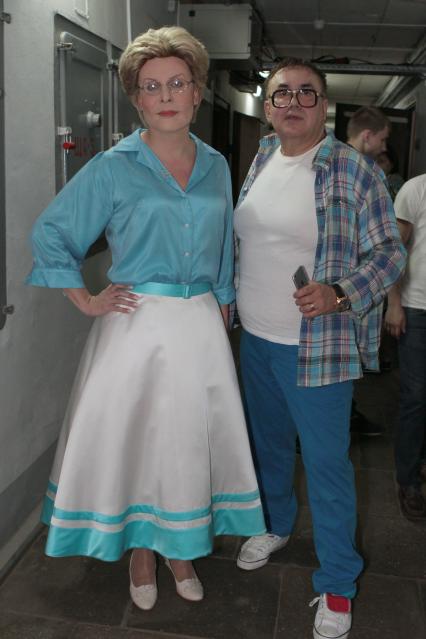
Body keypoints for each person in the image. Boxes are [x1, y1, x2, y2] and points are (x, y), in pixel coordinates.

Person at [26, 26, 265, 611]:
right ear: (136, 99)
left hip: (199, 324)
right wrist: (86, 299)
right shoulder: (114, 166)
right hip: (135, 325)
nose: (165, 96)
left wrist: (223, 302)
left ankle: (179, 548)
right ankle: (140, 551)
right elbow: (52, 233)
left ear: (197, 92)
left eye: (177, 83)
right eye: (151, 86)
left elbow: (223, 247)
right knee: (138, 441)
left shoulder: (216, 165)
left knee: (186, 443)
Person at [233, 57, 406, 639]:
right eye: (282, 93)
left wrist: (340, 292)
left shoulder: (354, 169)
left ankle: (337, 582)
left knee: (328, 467)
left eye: (306, 93)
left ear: (323, 106)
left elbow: (390, 254)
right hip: (256, 340)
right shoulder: (262, 156)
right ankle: (277, 524)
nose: (293, 103)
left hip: (317, 349)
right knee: (269, 447)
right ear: (268, 106)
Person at [346, 105, 393, 434]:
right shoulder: (368, 173)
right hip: (352, 287)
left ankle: (346, 414)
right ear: (367, 136)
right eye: (383, 139)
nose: (384, 146)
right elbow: (385, 246)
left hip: (341, 288)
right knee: (343, 361)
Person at [384, 174, 426, 521]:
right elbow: (393, 252)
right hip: (417, 308)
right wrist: (393, 303)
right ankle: (407, 478)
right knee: (417, 396)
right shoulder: (416, 190)